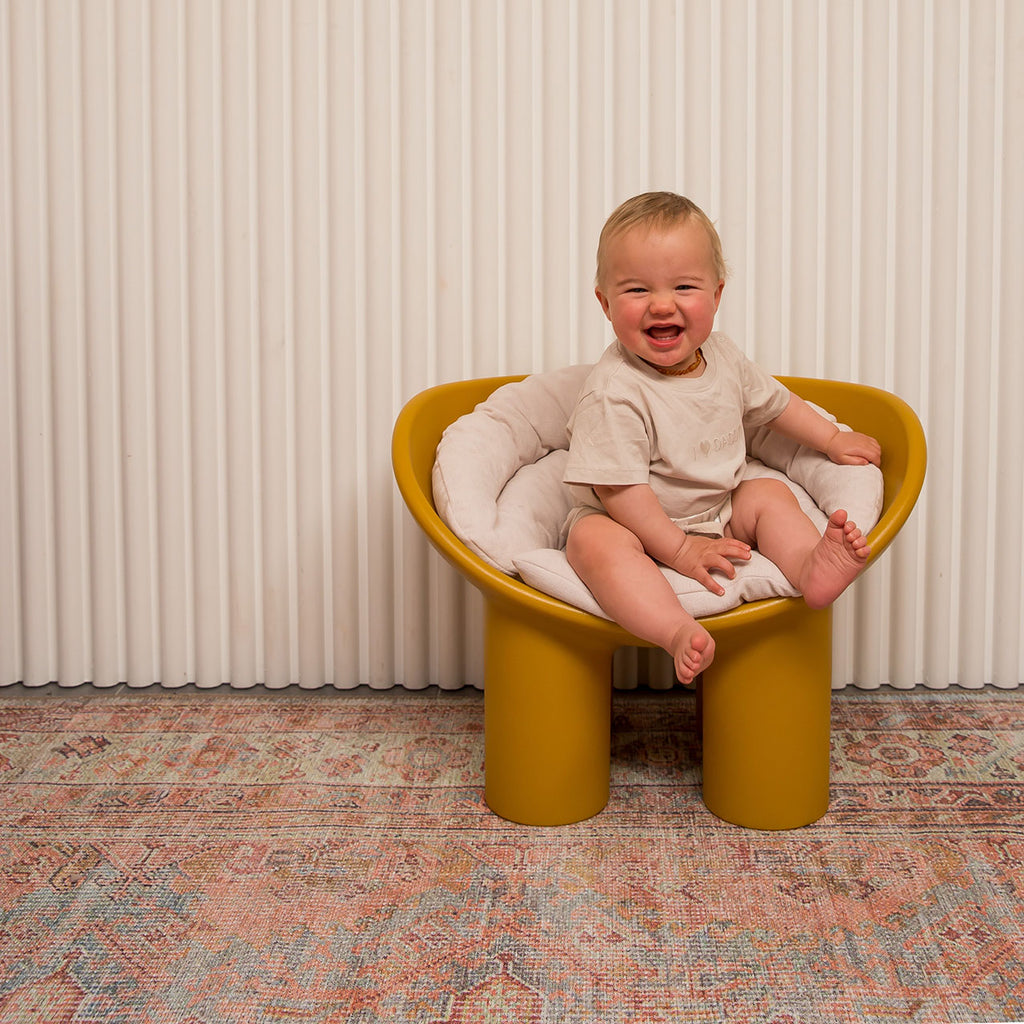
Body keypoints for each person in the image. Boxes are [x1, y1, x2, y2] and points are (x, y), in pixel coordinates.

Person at [563, 192, 881, 685]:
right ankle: (674, 629)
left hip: (719, 509)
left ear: (716, 294)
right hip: (629, 523)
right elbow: (620, 492)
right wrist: (680, 550)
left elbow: (774, 403)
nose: (661, 304)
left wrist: (831, 439)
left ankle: (810, 567)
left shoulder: (723, 356)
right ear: (605, 304)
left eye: (684, 286)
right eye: (637, 290)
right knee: (591, 542)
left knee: (768, 493)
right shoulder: (613, 392)